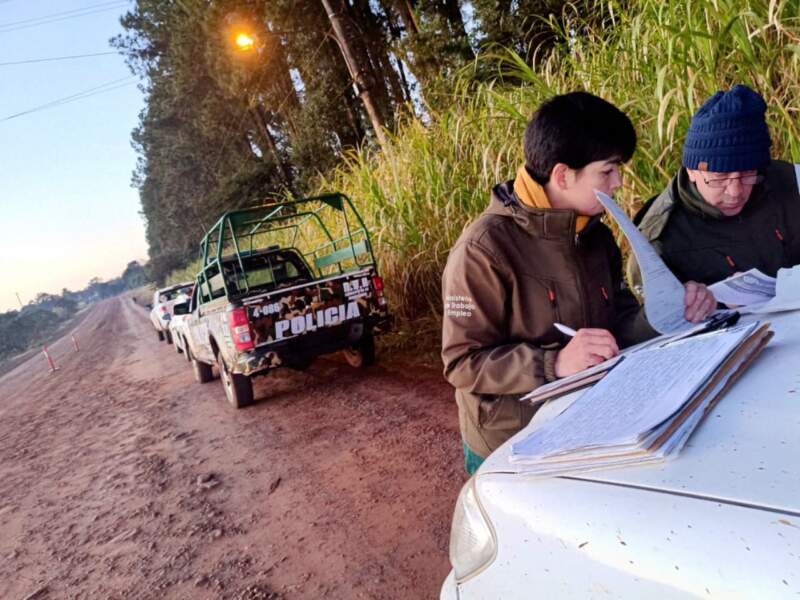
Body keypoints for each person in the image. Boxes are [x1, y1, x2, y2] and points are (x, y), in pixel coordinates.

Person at [441, 91, 716, 475]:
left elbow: (617, 318)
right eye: (608, 171)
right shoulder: (483, 250)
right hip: (510, 443)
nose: (618, 182)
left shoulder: (595, 234)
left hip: (587, 420)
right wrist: (554, 362)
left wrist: (666, 312)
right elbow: (461, 363)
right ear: (562, 175)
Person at [631, 84, 800, 287]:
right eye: (720, 178)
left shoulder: (791, 181)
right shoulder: (657, 239)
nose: (735, 192)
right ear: (691, 170)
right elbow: (649, 314)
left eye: (747, 175)